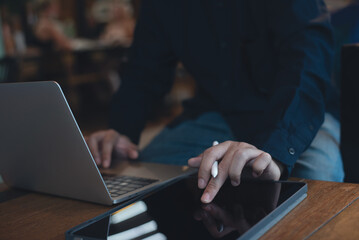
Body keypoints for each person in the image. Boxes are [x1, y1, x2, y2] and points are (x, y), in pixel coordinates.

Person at [86, 0, 344, 204]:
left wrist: (275, 152)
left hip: (297, 113)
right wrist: (121, 132)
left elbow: (307, 66)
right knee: (146, 177)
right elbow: (144, 70)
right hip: (218, 112)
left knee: (317, 182)